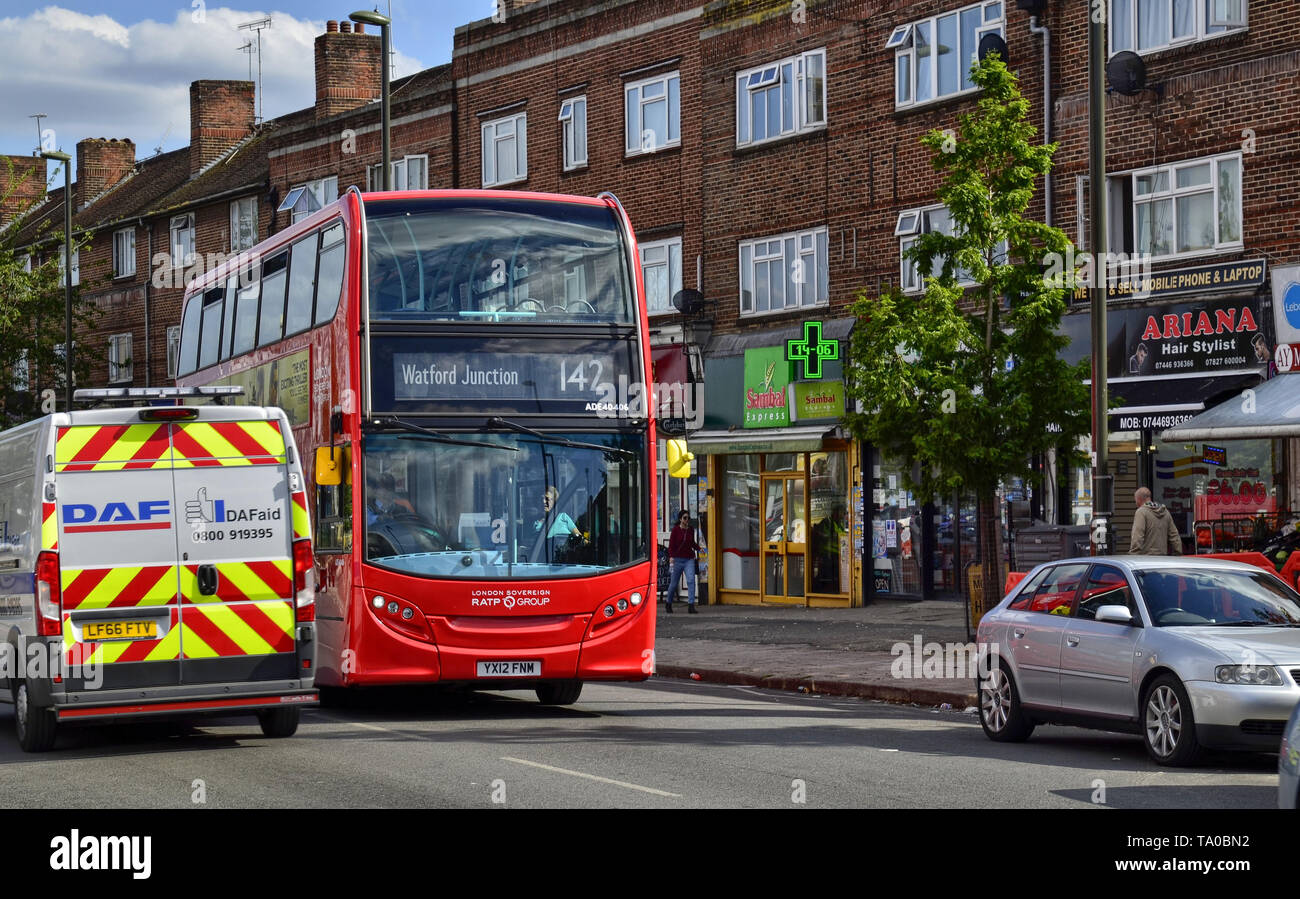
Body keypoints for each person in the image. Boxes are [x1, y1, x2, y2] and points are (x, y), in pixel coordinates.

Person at [665, 510, 700, 614]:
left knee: (691, 581)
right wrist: (671, 557)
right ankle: (668, 603)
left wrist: (699, 548)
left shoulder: (690, 529)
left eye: (688, 518)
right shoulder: (675, 530)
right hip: (677, 559)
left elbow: (692, 543)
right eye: (685, 518)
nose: (687, 520)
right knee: (674, 583)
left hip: (689, 558)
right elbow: (671, 545)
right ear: (680, 519)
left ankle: (691, 605)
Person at [1131, 486, 1181, 555]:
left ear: (1139, 499)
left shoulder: (1141, 512)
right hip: (1162, 559)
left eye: (1135, 500)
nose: (1135, 503)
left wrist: (1133, 555)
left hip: (1145, 561)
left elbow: (1137, 536)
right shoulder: (1165, 512)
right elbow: (1174, 536)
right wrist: (1178, 553)